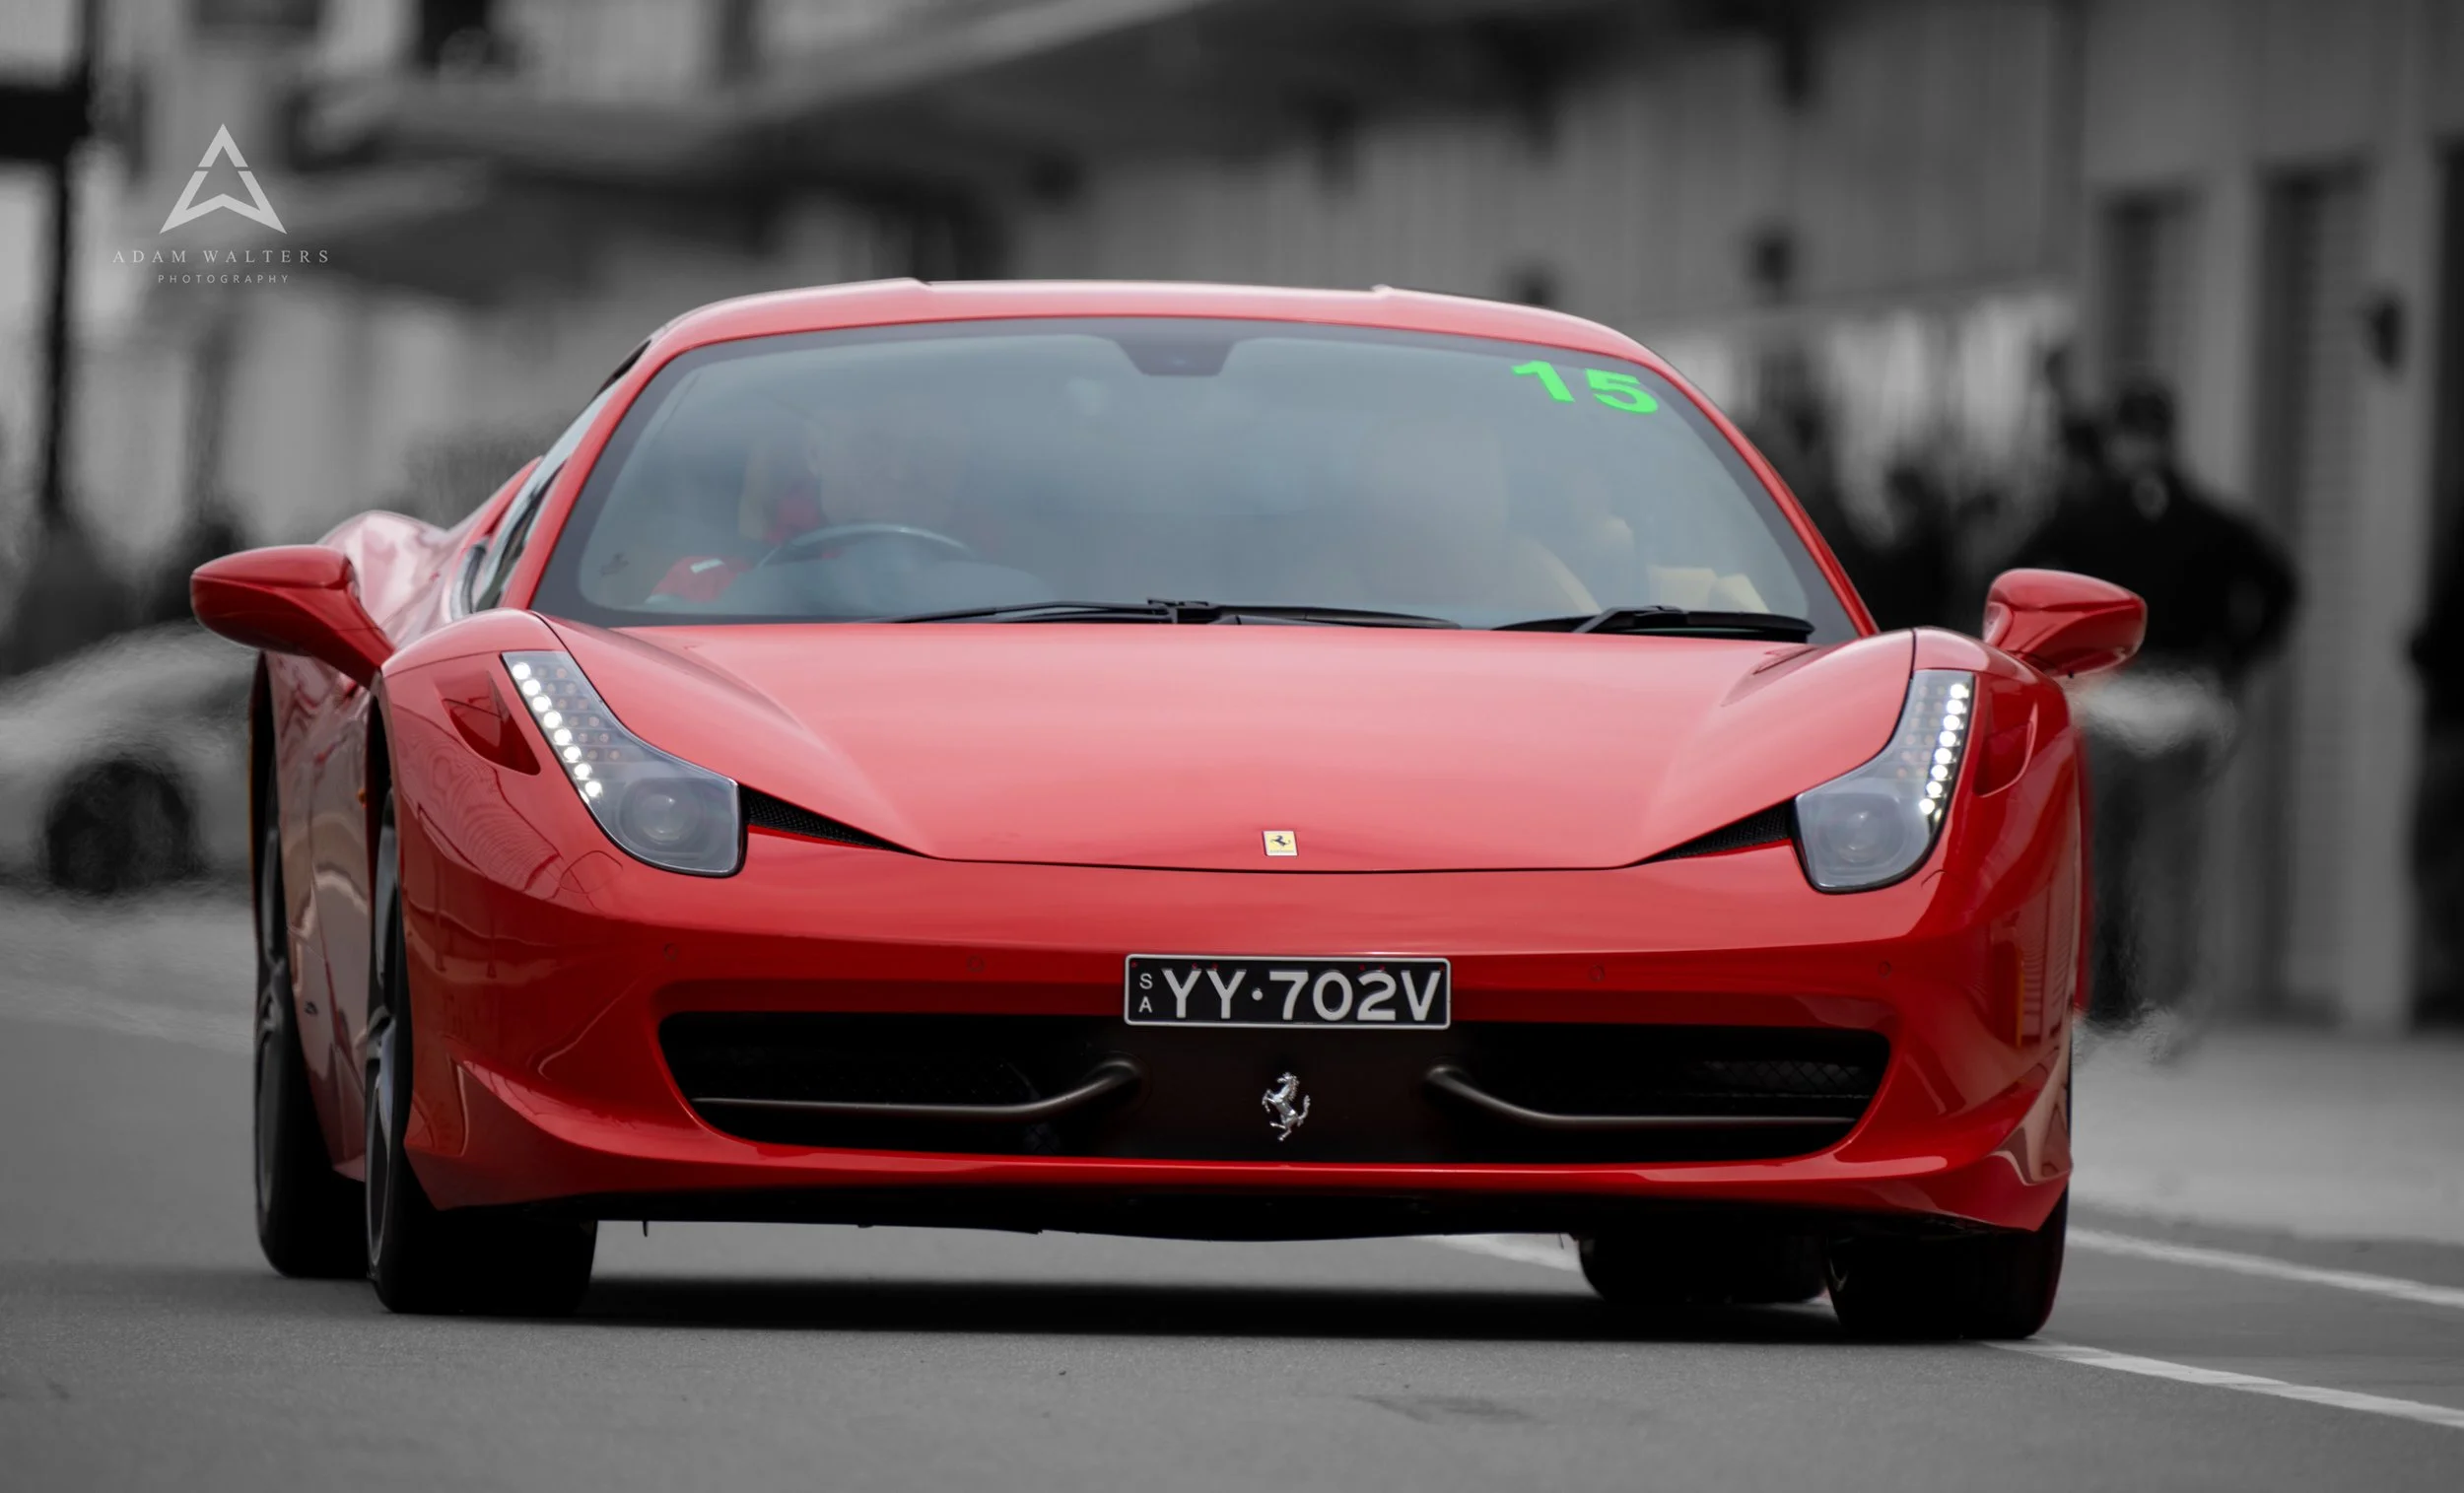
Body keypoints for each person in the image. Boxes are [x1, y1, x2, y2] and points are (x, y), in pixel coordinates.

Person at [2009, 374, 2297, 1035]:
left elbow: (2017, 573)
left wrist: (2053, 658)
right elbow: (2281, 585)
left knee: (2096, 860)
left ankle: (2098, 1001)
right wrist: (2232, 658)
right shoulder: (2210, 521)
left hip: (2106, 700)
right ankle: (2165, 1002)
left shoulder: (2085, 518)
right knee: (2169, 863)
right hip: (2184, 700)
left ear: (2117, 441)